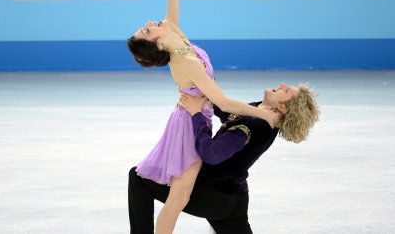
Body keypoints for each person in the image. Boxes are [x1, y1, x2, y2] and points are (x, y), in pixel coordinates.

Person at [126, 0, 279, 234]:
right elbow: (220, 98)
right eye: (146, 29)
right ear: (154, 41)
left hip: (194, 118)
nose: (150, 22)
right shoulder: (185, 63)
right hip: (188, 126)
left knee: (178, 198)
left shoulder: (177, 36)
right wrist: (262, 114)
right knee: (178, 198)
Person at [128, 82, 320, 233]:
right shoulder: (260, 111)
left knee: (139, 179)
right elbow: (229, 113)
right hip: (234, 200)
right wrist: (204, 94)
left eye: (286, 91)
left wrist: (196, 115)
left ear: (283, 107)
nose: (283, 84)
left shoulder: (255, 123)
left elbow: (210, 154)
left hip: (212, 196)